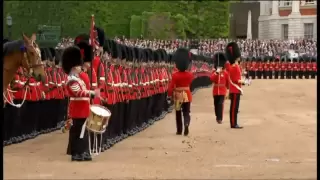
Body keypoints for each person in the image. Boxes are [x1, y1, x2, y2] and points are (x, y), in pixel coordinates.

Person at [62, 46, 100, 161]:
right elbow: (78, 93)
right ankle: (76, 153)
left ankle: (83, 151)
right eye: (79, 65)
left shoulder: (78, 79)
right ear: (73, 67)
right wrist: (93, 93)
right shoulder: (71, 80)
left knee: (84, 131)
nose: (80, 67)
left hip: (83, 109)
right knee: (76, 132)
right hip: (77, 109)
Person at [168, 48, 194, 136]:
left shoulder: (175, 75)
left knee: (178, 113)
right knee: (186, 112)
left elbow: (171, 86)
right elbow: (190, 83)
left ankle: (179, 130)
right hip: (187, 94)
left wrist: (169, 95)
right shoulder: (190, 75)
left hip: (178, 95)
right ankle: (186, 124)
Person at [225, 42, 244, 129]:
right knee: (234, 108)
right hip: (235, 89)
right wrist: (244, 82)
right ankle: (233, 123)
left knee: (235, 108)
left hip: (234, 89)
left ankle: (234, 123)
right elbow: (236, 80)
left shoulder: (233, 66)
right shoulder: (235, 67)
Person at [210, 52, 229, 124]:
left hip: (222, 91)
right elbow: (211, 79)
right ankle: (217, 115)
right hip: (215, 91)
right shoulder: (214, 72)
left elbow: (227, 83)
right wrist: (216, 73)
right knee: (216, 104)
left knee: (221, 104)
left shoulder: (225, 73)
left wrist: (227, 91)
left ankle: (220, 118)